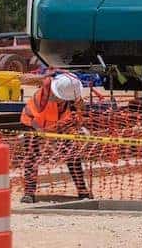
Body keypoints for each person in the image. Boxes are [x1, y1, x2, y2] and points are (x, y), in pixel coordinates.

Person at [19, 72, 91, 203]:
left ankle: (83, 191)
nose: (58, 99)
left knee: (72, 155)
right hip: (33, 123)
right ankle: (29, 193)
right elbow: (22, 78)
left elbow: (81, 108)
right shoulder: (46, 88)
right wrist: (44, 77)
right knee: (32, 156)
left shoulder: (72, 91)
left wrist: (80, 117)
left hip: (60, 123)